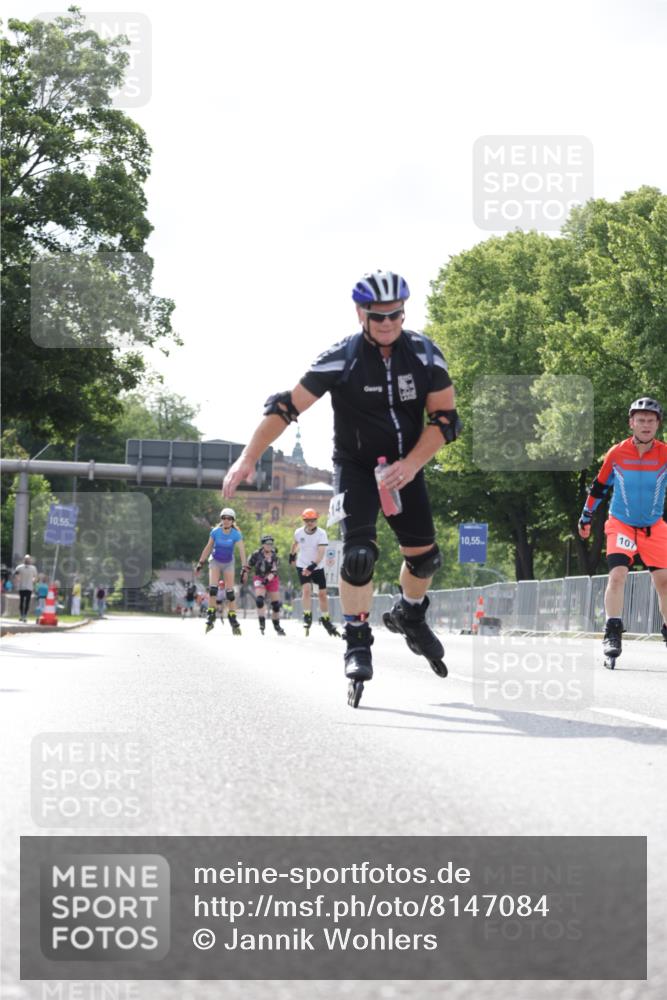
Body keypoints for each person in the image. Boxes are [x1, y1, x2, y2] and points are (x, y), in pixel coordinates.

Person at [223, 270, 461, 705]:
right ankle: (356, 639)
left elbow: (446, 420)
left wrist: (410, 465)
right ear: (360, 314)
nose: (388, 324)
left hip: (405, 466)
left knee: (426, 561)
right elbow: (286, 406)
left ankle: (409, 613)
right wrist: (249, 457)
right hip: (354, 466)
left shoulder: (425, 354)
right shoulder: (341, 357)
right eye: (378, 317)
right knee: (357, 555)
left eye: (395, 316)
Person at [578, 397, 667, 664]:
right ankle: (613, 631)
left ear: (658, 425)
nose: (646, 425)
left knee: (664, 583)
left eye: (651, 420)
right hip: (622, 525)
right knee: (617, 576)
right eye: (641, 420)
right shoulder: (617, 453)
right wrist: (586, 516)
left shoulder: (664, 453)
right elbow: (599, 487)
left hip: (654, 527)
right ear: (632, 423)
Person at [195, 507, 247, 635]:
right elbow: (208, 548)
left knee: (230, 593)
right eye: (224, 518)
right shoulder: (215, 532)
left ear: (233, 521)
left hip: (228, 562)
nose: (226, 520)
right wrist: (200, 563)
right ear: (221, 519)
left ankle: (233, 618)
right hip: (215, 561)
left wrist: (244, 568)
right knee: (213, 589)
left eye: (229, 518)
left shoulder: (236, 534)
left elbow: (242, 552)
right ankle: (211, 614)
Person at [289, 508, 339, 636]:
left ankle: (325, 618)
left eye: (313, 520)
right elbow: (295, 544)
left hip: (317, 567)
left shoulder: (321, 534)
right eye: (307, 521)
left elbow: (322, 552)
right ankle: (307, 615)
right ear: (304, 521)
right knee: (306, 590)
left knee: (322, 594)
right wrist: (292, 555)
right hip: (302, 565)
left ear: (316, 520)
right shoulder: (298, 532)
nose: (310, 523)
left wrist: (313, 565)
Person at [244, 535, 286, 635]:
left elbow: (274, 571)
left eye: (271, 544)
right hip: (259, 577)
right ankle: (262, 623)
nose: (269, 546)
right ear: (263, 545)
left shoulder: (275, 556)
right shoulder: (256, 554)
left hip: (272, 579)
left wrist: (267, 580)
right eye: (267, 544)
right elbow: (248, 566)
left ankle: (277, 625)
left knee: (276, 605)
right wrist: (244, 574)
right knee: (259, 600)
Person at [13, 554, 38, 622]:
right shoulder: (19, 567)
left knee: (27, 602)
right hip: (21, 587)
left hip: (29, 587)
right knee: (21, 601)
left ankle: (25, 615)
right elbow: (16, 574)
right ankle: (21, 615)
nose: (27, 560)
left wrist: (34, 581)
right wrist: (17, 580)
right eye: (26, 559)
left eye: (28, 559)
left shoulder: (33, 568)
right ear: (24, 560)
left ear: (30, 560)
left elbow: (35, 577)